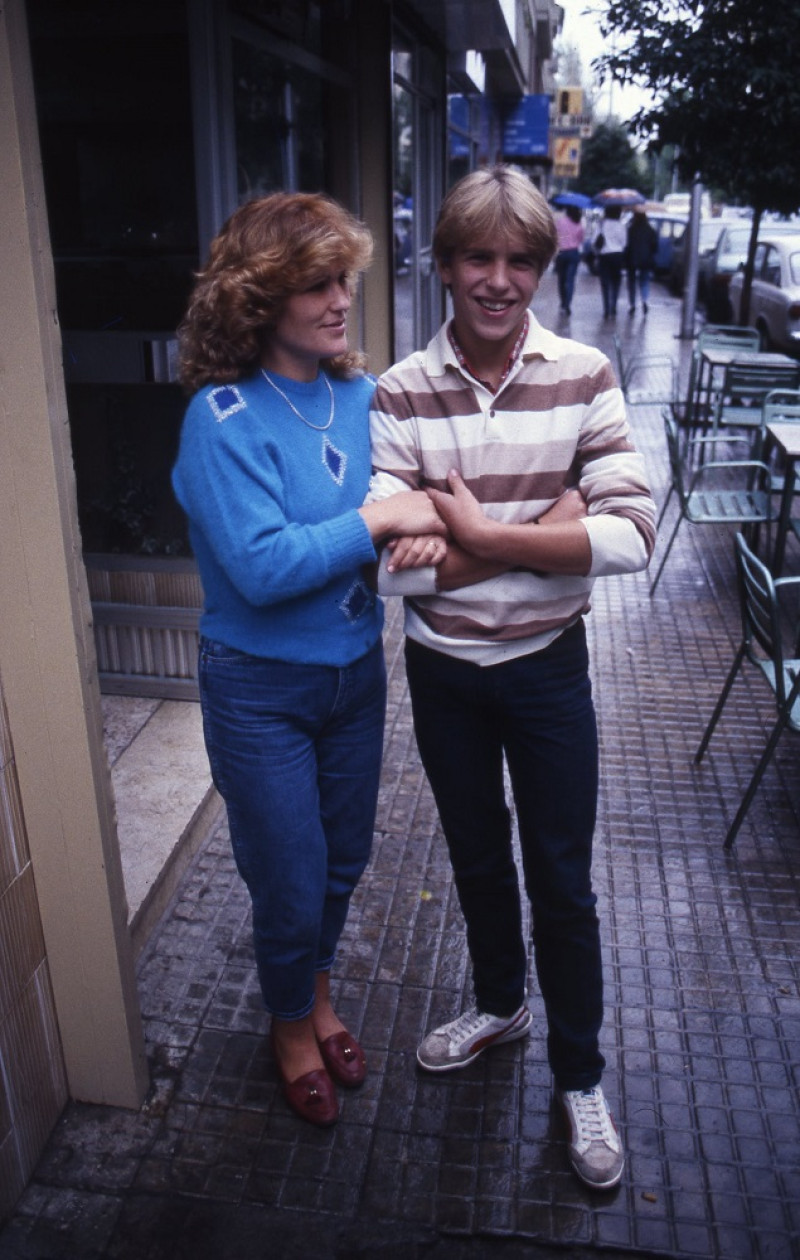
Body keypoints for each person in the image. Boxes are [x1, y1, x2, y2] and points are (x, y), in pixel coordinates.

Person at [368, 166, 656, 1190]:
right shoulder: (399, 391)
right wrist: (536, 530)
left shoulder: (581, 374)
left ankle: (580, 1075)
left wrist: (472, 531)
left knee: (562, 879)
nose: (497, 280)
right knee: (476, 860)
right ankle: (500, 1004)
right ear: (444, 264)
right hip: (442, 673)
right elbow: (383, 575)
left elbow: (630, 535)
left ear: (542, 265)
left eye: (519, 260)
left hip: (545, 670)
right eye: (477, 258)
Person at [171, 192, 445, 1129]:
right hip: (257, 689)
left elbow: (422, 501)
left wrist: (413, 536)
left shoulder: (366, 399)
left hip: (355, 678)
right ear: (259, 298)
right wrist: (379, 521)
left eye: (345, 281)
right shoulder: (222, 417)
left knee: (343, 863)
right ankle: (291, 1027)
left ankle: (317, 996)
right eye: (317, 285)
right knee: (288, 880)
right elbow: (259, 566)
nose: (341, 301)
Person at [595, 204, 627, 318]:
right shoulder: (621, 226)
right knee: (616, 282)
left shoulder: (602, 225)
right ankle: (614, 306)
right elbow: (624, 243)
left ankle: (606, 308)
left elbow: (595, 241)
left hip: (604, 255)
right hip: (617, 255)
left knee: (605, 283)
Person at [625, 206, 659, 313]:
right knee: (644, 281)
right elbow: (655, 247)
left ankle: (632, 304)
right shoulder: (651, 230)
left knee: (631, 282)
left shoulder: (630, 229)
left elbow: (627, 246)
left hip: (632, 259)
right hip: (646, 260)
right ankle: (644, 301)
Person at [554, 204, 584, 315]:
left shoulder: (560, 222)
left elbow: (555, 236)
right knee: (570, 280)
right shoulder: (578, 223)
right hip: (574, 253)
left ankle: (562, 303)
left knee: (561, 280)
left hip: (562, 253)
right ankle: (567, 304)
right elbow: (581, 239)